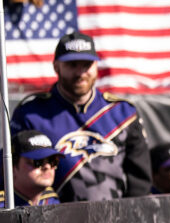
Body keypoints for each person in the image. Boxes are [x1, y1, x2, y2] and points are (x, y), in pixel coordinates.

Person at [10, 31, 151, 202]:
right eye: (72, 64)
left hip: (118, 221)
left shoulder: (123, 113)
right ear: (56, 67)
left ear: (96, 66)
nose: (80, 72)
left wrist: (131, 220)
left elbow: (140, 181)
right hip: (52, 221)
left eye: (86, 64)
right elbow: (12, 173)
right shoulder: (31, 113)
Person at [0, 130, 64, 207]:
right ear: (11, 169)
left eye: (52, 161)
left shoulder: (51, 199)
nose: (47, 167)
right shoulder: (2, 206)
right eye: (38, 161)